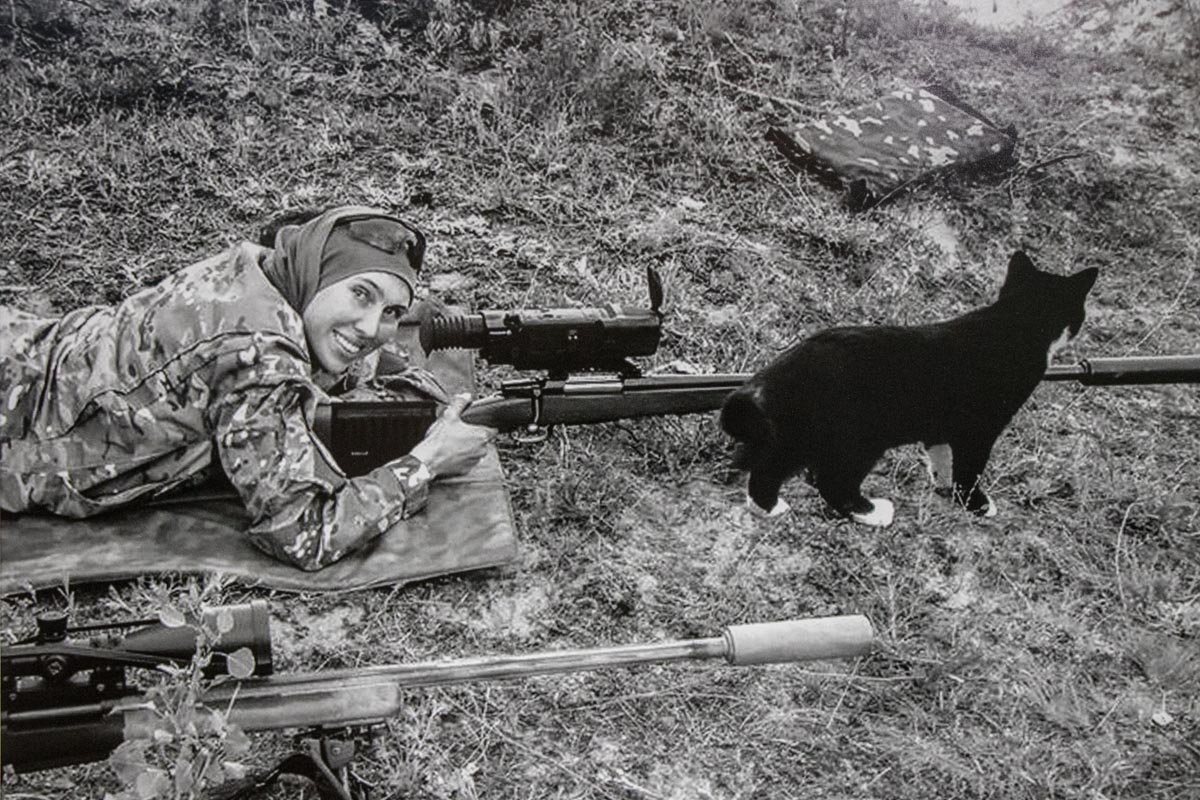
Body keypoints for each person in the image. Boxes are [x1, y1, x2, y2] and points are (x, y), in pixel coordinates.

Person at [0, 205, 496, 570]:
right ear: (317, 271)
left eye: (391, 313)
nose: (370, 329)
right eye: (360, 294)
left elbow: (344, 366)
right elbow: (302, 533)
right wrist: (424, 465)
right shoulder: (257, 355)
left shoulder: (267, 269)